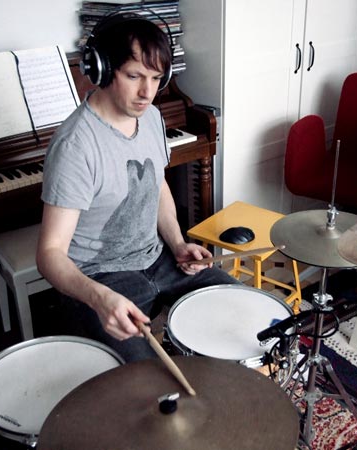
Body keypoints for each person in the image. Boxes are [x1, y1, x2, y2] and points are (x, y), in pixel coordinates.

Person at [36, 15, 238, 363]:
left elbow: (155, 186)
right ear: (102, 70)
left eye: (156, 79)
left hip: (158, 260)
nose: (147, 93)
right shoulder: (75, 146)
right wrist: (100, 298)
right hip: (99, 278)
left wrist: (177, 244)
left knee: (240, 310)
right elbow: (49, 254)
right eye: (134, 76)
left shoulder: (151, 117)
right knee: (146, 380)